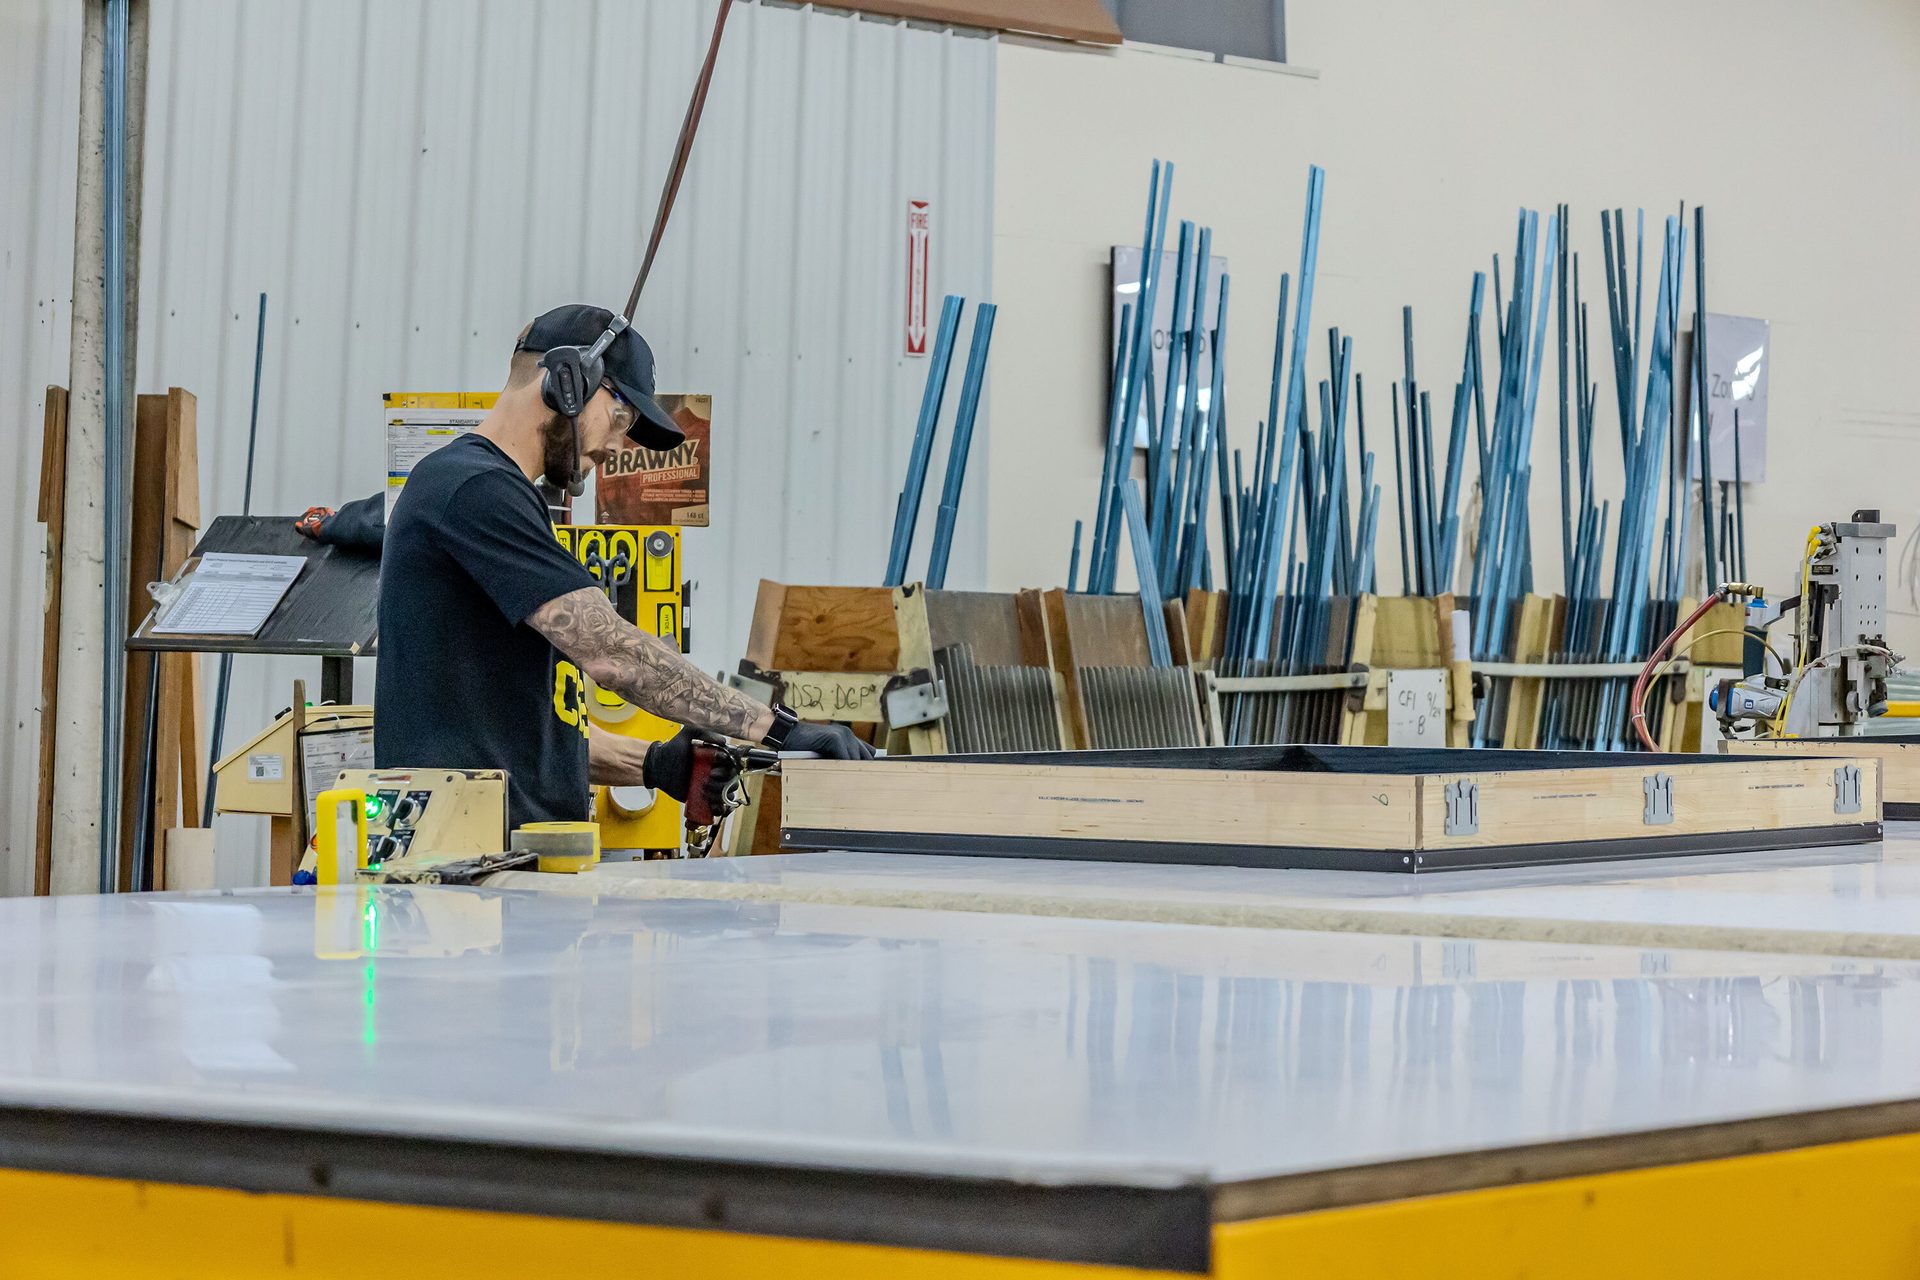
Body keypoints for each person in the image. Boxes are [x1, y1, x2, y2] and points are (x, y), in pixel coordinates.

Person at [374, 303, 872, 830]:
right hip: (460, 859)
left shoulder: (491, 493)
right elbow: (612, 653)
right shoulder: (474, 487)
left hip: (493, 852)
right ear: (566, 383)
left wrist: (657, 764)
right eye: (619, 419)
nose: (617, 446)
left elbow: (523, 736)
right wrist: (774, 727)